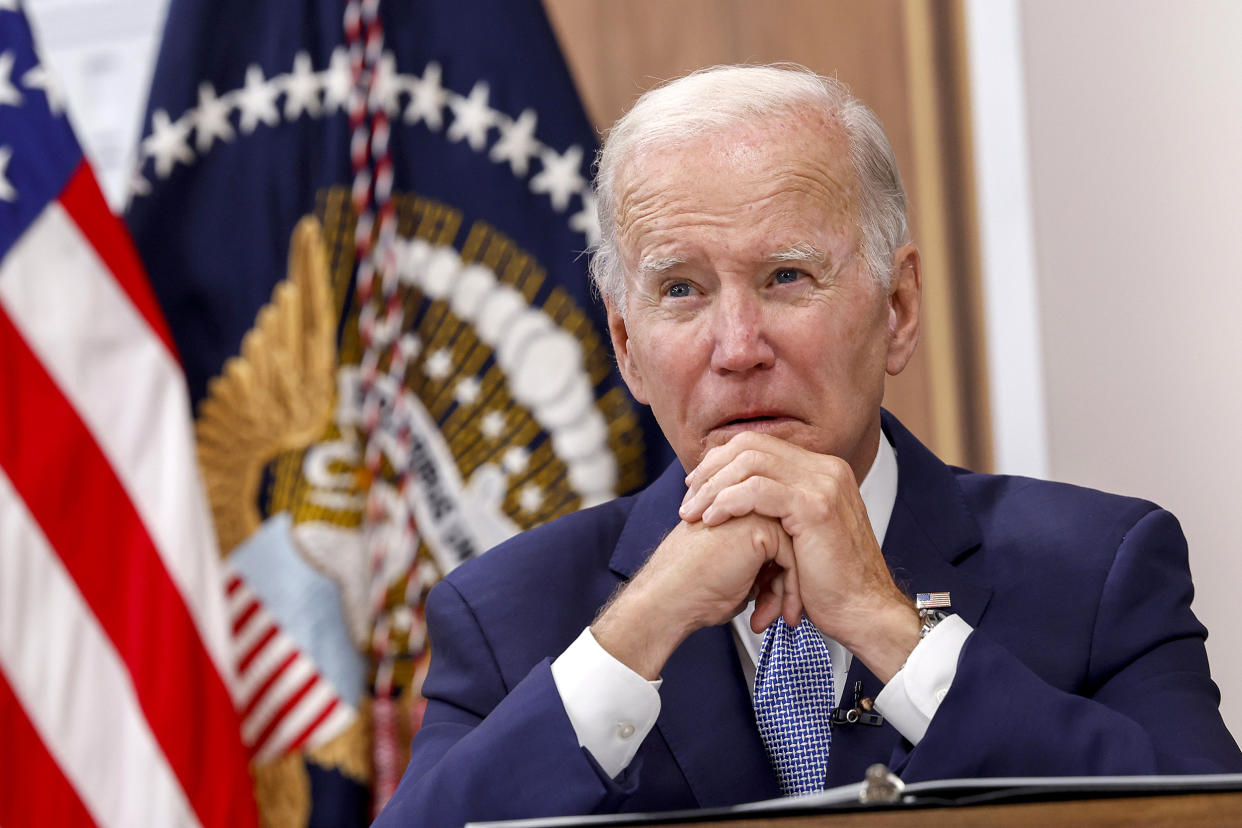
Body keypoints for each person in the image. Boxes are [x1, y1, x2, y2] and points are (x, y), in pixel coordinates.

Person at [373, 64, 1242, 827]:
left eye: (786, 276)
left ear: (897, 310)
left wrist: (889, 627)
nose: (739, 345)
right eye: (682, 289)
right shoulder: (507, 615)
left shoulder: (1101, 570)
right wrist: (640, 628)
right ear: (627, 346)